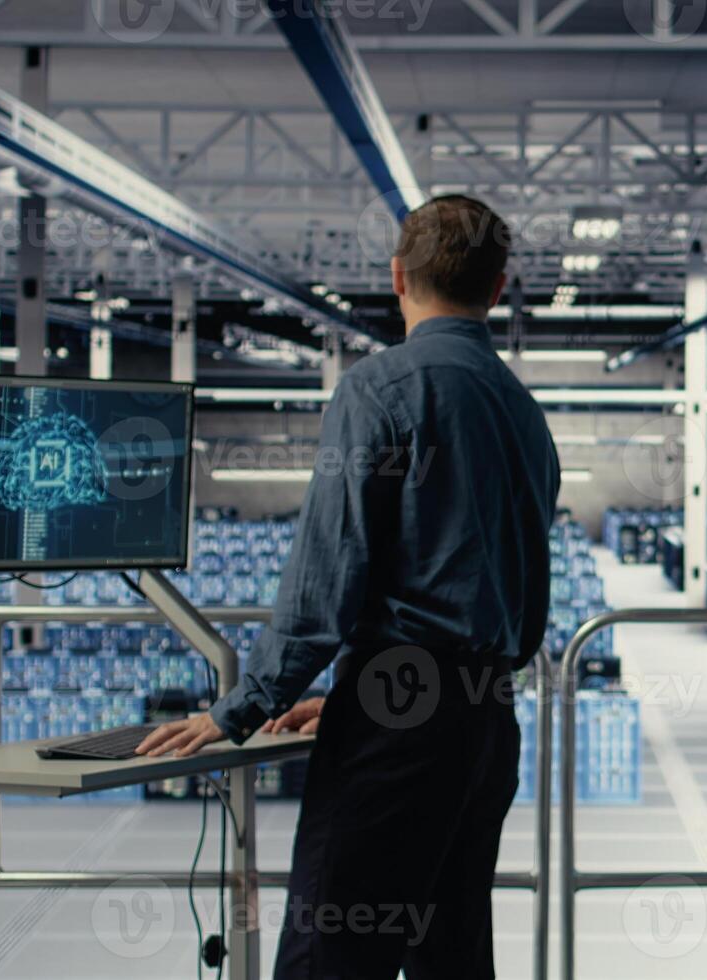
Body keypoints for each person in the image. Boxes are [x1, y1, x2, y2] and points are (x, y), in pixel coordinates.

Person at [139, 195, 562, 979]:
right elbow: (492, 590)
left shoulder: (381, 390)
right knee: (451, 956)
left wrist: (240, 707)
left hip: (396, 732)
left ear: (397, 278)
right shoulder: (523, 413)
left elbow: (327, 578)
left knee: (329, 956)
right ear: (497, 290)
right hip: (486, 726)